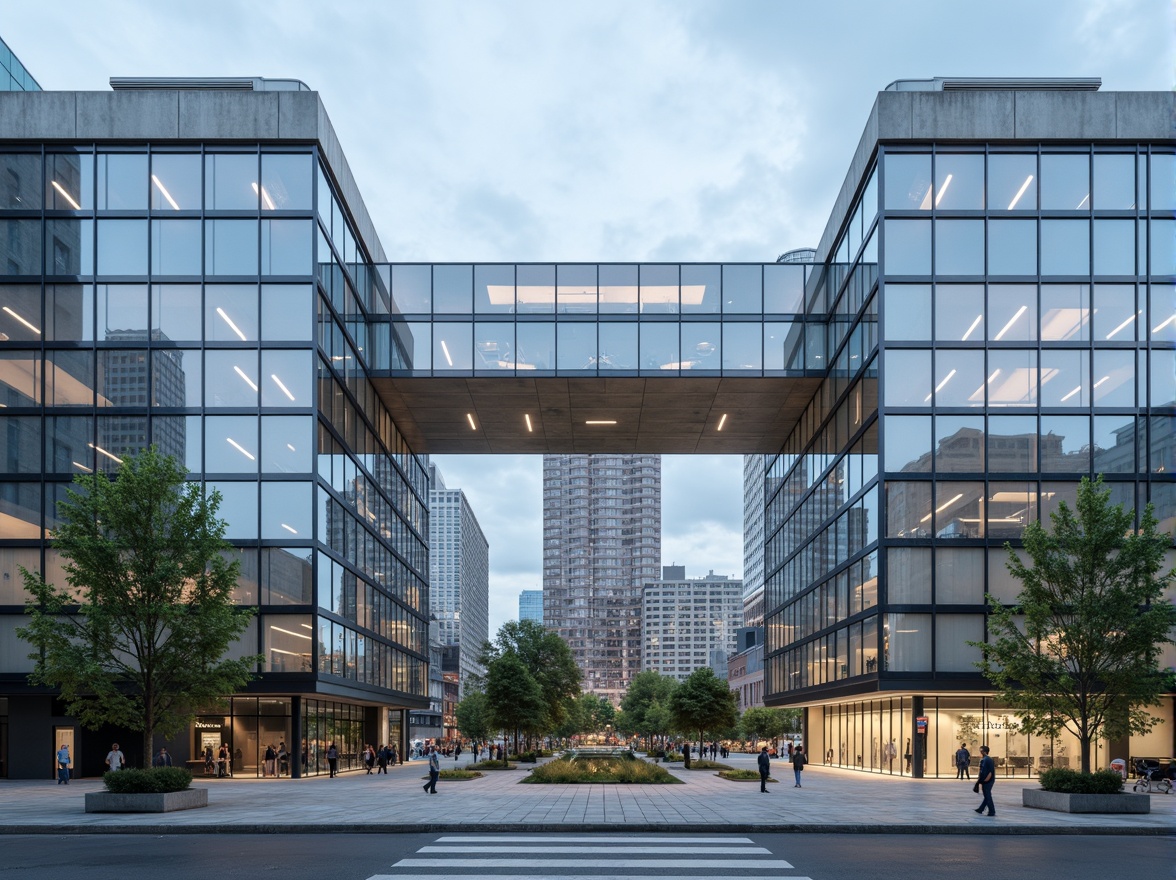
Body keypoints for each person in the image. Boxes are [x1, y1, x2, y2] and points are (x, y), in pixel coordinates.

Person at [974, 744, 996, 817]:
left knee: (987, 795)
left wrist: (984, 780)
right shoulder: (987, 759)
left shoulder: (986, 760)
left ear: (984, 751)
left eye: (981, 751)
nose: (980, 752)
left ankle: (992, 811)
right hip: (987, 780)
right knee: (987, 795)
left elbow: (989, 772)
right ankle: (981, 809)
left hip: (987, 781)